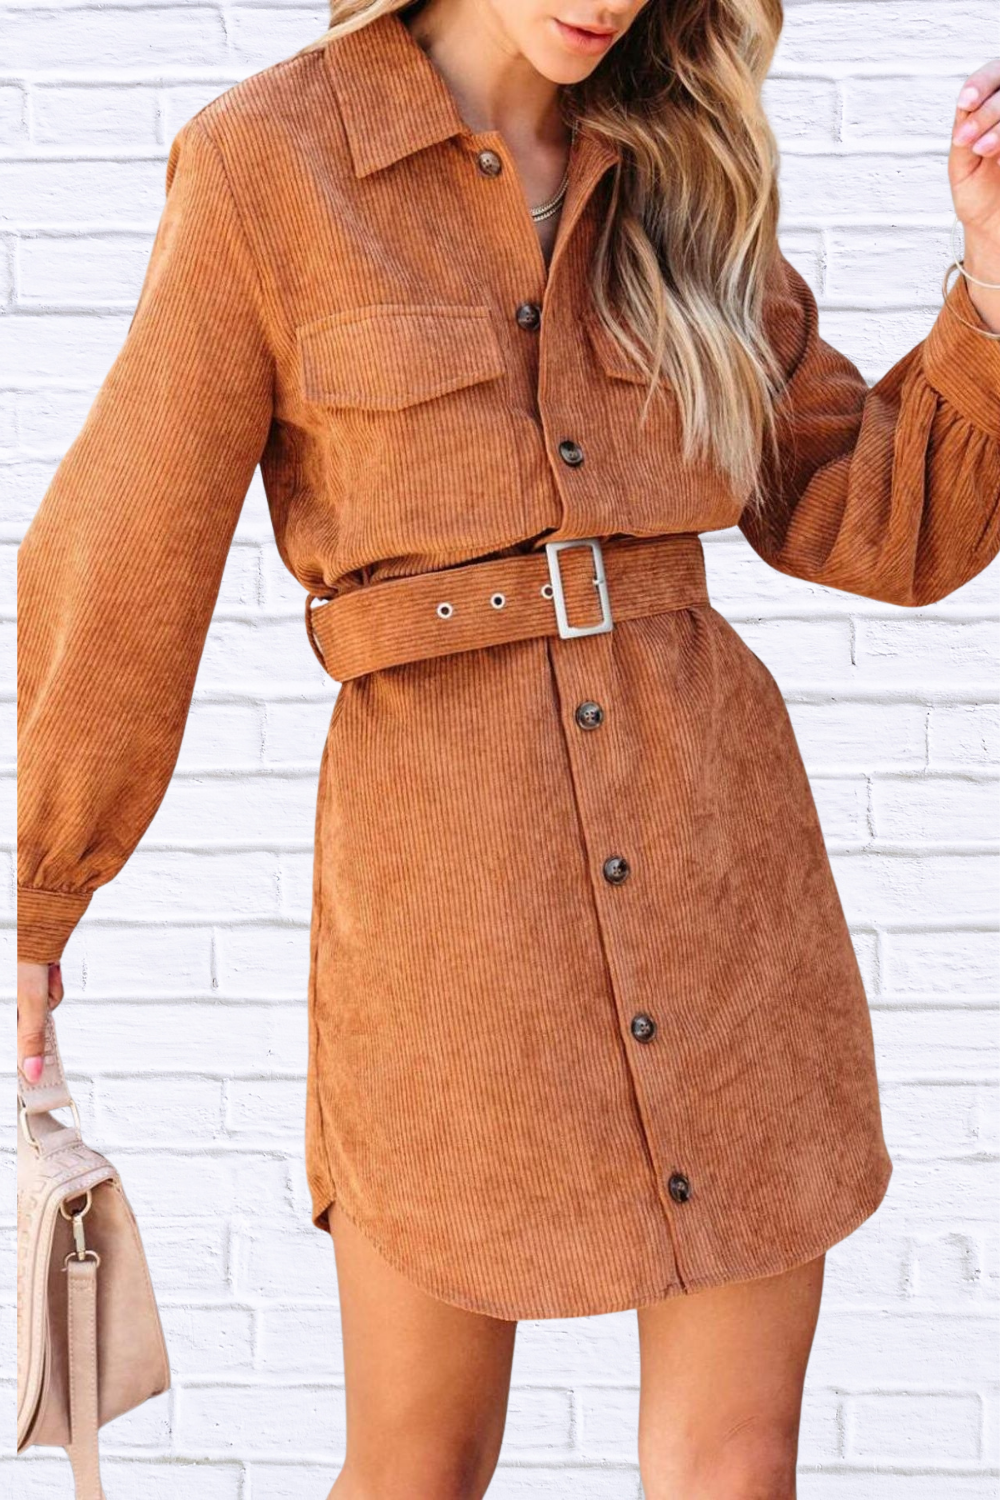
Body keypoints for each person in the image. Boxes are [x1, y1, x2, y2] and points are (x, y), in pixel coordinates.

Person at [17, 1, 1000, 1495]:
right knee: (423, 1462)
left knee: (739, 1464)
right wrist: (39, 898)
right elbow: (126, 552)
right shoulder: (269, 161)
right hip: (450, 917)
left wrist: (989, 288)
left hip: (721, 884)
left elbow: (876, 518)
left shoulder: (680, 167)